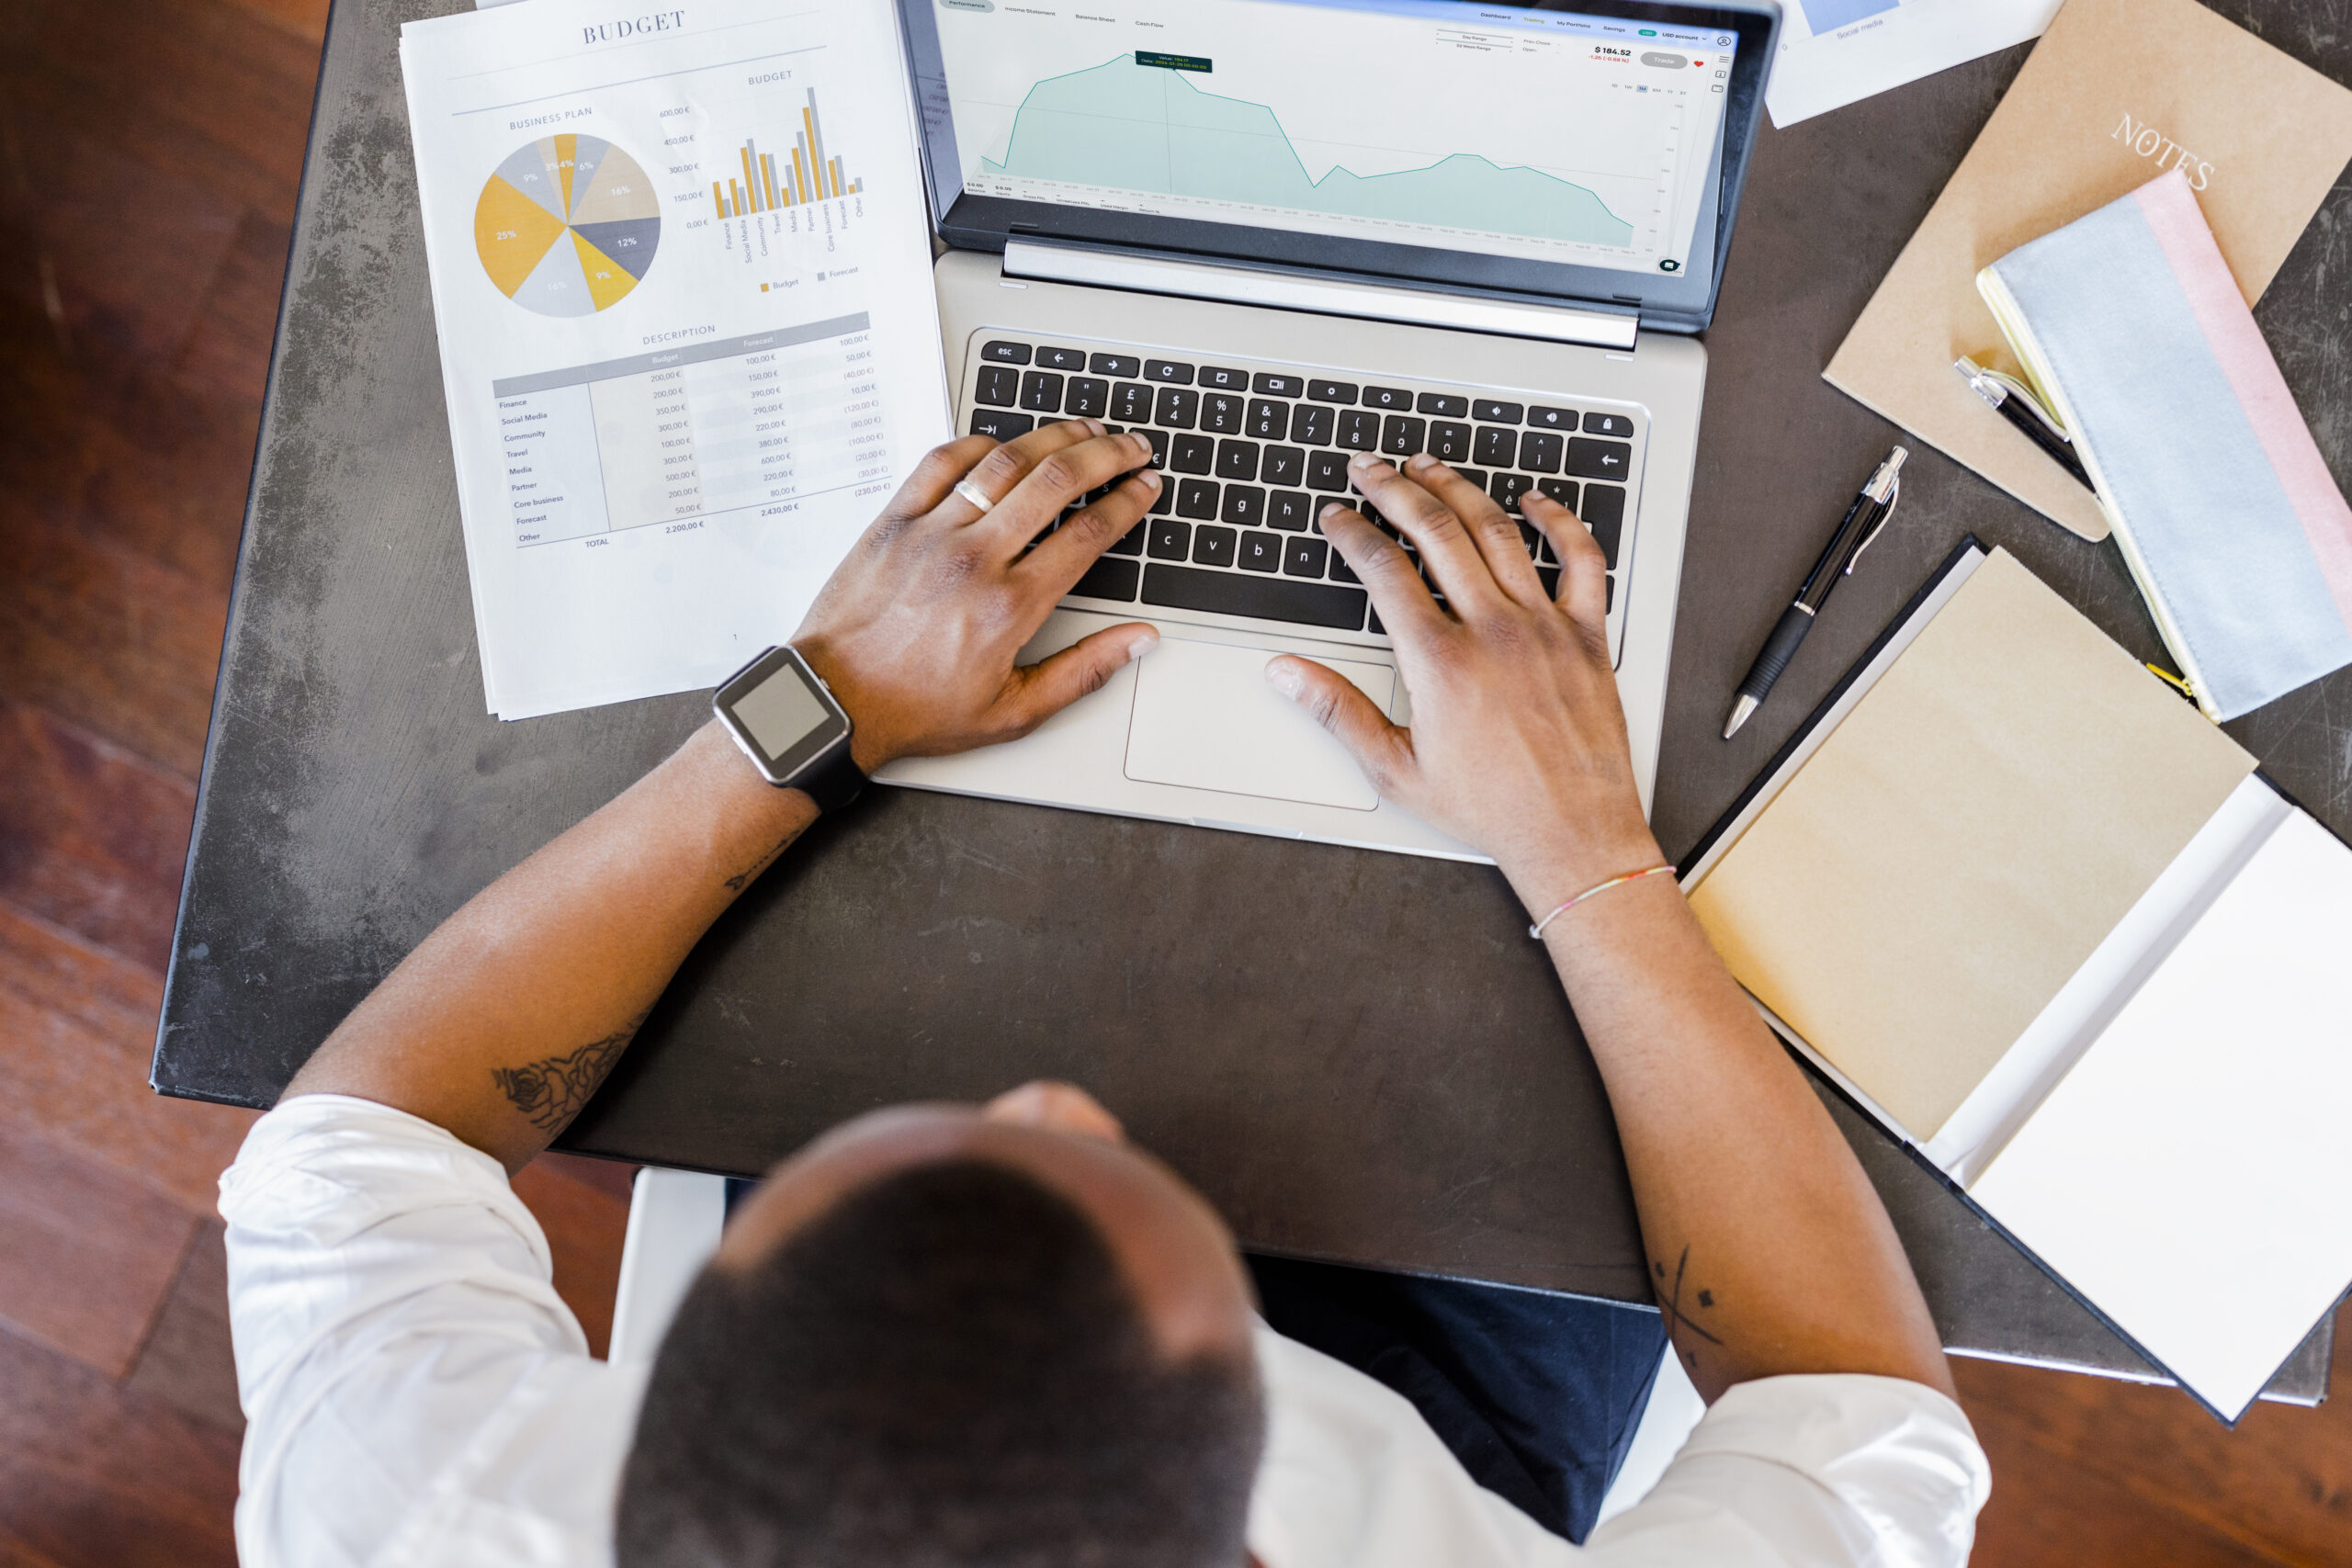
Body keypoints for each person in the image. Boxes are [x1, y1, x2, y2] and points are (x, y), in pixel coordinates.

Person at [220, 420, 1988, 1568]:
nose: (1059, 1104)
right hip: (1463, 1411)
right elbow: (1866, 1425)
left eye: (890, 1194)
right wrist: (1589, 850)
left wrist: (818, 705)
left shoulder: (426, 1513)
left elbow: (359, 1148)